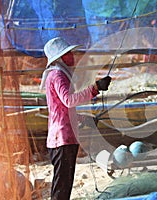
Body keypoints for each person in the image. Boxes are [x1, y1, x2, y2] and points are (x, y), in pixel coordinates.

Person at [40, 37, 111, 200]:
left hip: (63, 136)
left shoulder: (58, 74)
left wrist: (82, 118)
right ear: (59, 58)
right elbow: (69, 100)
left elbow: (61, 109)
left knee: (64, 184)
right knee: (62, 186)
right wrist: (95, 88)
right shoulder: (57, 75)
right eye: (67, 53)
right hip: (62, 139)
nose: (72, 56)